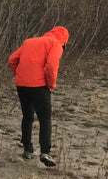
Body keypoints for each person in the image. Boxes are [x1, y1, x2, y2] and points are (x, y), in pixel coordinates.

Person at [8, 26, 69, 167]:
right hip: (40, 86)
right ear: (64, 40)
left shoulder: (29, 41)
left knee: (27, 116)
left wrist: (19, 75)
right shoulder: (56, 44)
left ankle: (27, 149)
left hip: (22, 84)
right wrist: (51, 84)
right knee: (45, 118)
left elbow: (12, 59)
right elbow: (52, 65)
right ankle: (45, 153)